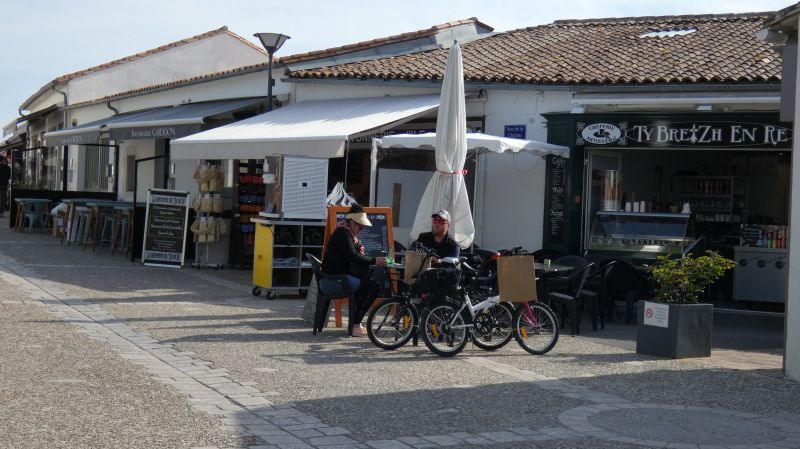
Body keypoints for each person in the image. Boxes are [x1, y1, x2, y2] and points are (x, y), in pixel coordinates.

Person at [321, 203, 387, 336]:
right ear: (351, 222)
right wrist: (375, 260)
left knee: (365, 283)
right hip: (336, 280)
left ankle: (356, 323)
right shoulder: (343, 234)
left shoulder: (346, 233)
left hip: (336, 276)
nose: (361, 229)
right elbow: (353, 255)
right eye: (360, 226)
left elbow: (353, 256)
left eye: (363, 227)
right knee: (373, 287)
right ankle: (355, 324)